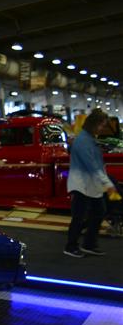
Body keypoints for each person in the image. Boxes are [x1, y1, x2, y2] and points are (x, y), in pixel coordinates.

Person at [64, 109, 115, 258]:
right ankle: (71, 246)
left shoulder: (89, 139)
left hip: (91, 184)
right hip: (81, 184)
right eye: (101, 125)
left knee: (98, 212)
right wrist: (108, 183)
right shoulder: (83, 141)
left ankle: (89, 244)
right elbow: (92, 166)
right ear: (94, 124)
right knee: (79, 216)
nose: (102, 128)